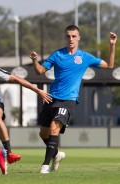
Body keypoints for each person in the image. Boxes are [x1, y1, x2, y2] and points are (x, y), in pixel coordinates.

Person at [29, 25, 117, 174]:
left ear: (79, 38)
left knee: (54, 127)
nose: (71, 39)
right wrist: (35, 61)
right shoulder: (57, 55)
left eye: (74, 36)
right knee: (43, 134)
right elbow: (40, 72)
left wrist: (112, 46)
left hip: (68, 99)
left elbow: (109, 65)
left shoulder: (85, 57)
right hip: (51, 98)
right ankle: (56, 154)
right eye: (68, 36)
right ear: (65, 37)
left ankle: (44, 166)